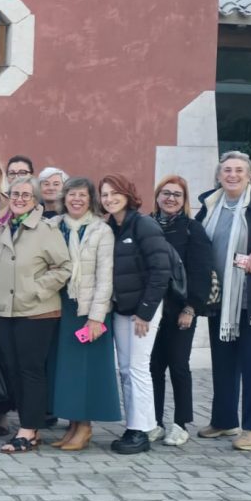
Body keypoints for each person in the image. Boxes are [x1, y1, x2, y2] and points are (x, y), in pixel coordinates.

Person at [0, 176, 71, 454]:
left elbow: (63, 267)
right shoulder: (2, 228)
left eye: (26, 195)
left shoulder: (46, 229)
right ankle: (28, 425)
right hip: (5, 312)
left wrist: (35, 289)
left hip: (37, 311)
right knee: (13, 370)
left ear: (35, 199)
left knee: (30, 371)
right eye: (15, 194)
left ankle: (29, 429)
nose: (20, 198)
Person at [196, 151, 251, 450]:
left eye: (239, 170)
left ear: (249, 175)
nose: (232, 175)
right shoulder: (210, 206)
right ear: (218, 175)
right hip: (220, 299)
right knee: (224, 363)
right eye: (226, 170)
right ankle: (224, 420)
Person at [101, 173, 172, 454]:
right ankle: (135, 425)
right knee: (126, 370)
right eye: (104, 194)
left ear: (128, 194)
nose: (109, 199)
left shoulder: (144, 224)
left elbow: (160, 271)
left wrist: (145, 312)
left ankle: (142, 431)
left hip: (143, 311)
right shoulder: (112, 227)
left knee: (140, 369)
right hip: (122, 310)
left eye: (114, 193)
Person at [47, 178, 119, 452]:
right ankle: (73, 425)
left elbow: (105, 277)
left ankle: (86, 426)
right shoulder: (54, 226)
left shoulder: (101, 231)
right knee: (67, 370)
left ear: (91, 200)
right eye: (72, 195)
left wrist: (97, 317)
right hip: (61, 306)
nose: (76, 199)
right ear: (64, 198)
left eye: (83, 195)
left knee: (87, 371)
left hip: (88, 309)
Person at [149, 175, 213, 447]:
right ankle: (153, 421)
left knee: (178, 366)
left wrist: (190, 308)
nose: (170, 198)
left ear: (185, 200)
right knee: (153, 368)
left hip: (179, 310)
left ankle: (180, 423)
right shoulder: (147, 225)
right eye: (166, 193)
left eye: (177, 194)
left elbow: (201, 272)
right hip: (152, 311)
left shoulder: (192, 229)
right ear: (158, 196)